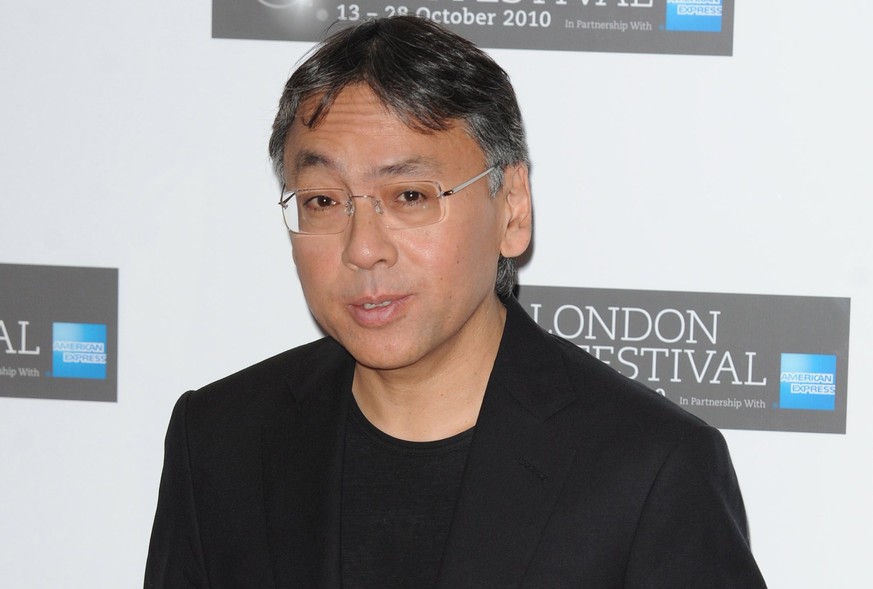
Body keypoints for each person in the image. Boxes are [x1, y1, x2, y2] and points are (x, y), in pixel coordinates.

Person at [145, 15, 766, 588]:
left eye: (411, 196)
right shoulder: (220, 442)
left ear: (512, 208)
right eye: (323, 201)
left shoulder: (649, 472)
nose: (364, 250)